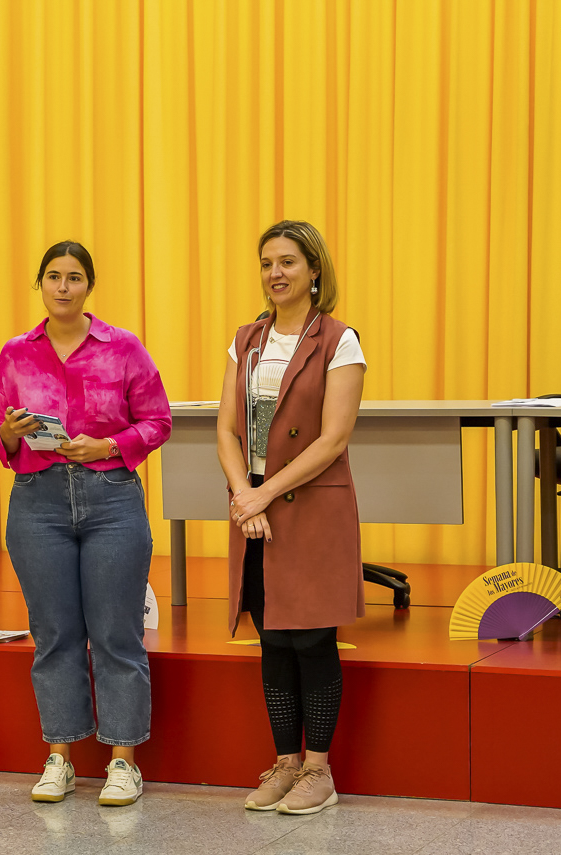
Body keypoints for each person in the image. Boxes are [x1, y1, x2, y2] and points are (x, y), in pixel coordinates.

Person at [0, 241, 171, 806]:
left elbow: (158, 421)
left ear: (89, 285)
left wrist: (108, 445)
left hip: (110, 498)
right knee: (53, 634)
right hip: (37, 501)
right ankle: (60, 757)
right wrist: (11, 433)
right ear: (39, 284)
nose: (63, 287)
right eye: (53, 276)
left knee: (116, 633)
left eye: (74, 277)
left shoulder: (123, 347)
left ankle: (123, 762)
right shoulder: (16, 353)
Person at [216, 220, 366, 815]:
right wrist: (242, 493)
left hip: (310, 505)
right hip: (252, 505)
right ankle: (285, 763)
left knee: (312, 636)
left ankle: (319, 771)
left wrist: (264, 494)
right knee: (272, 636)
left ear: (314, 270)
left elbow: (333, 439)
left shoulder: (339, 340)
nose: (275, 274)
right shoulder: (246, 340)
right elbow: (227, 430)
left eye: (287, 262)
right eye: (266, 263)